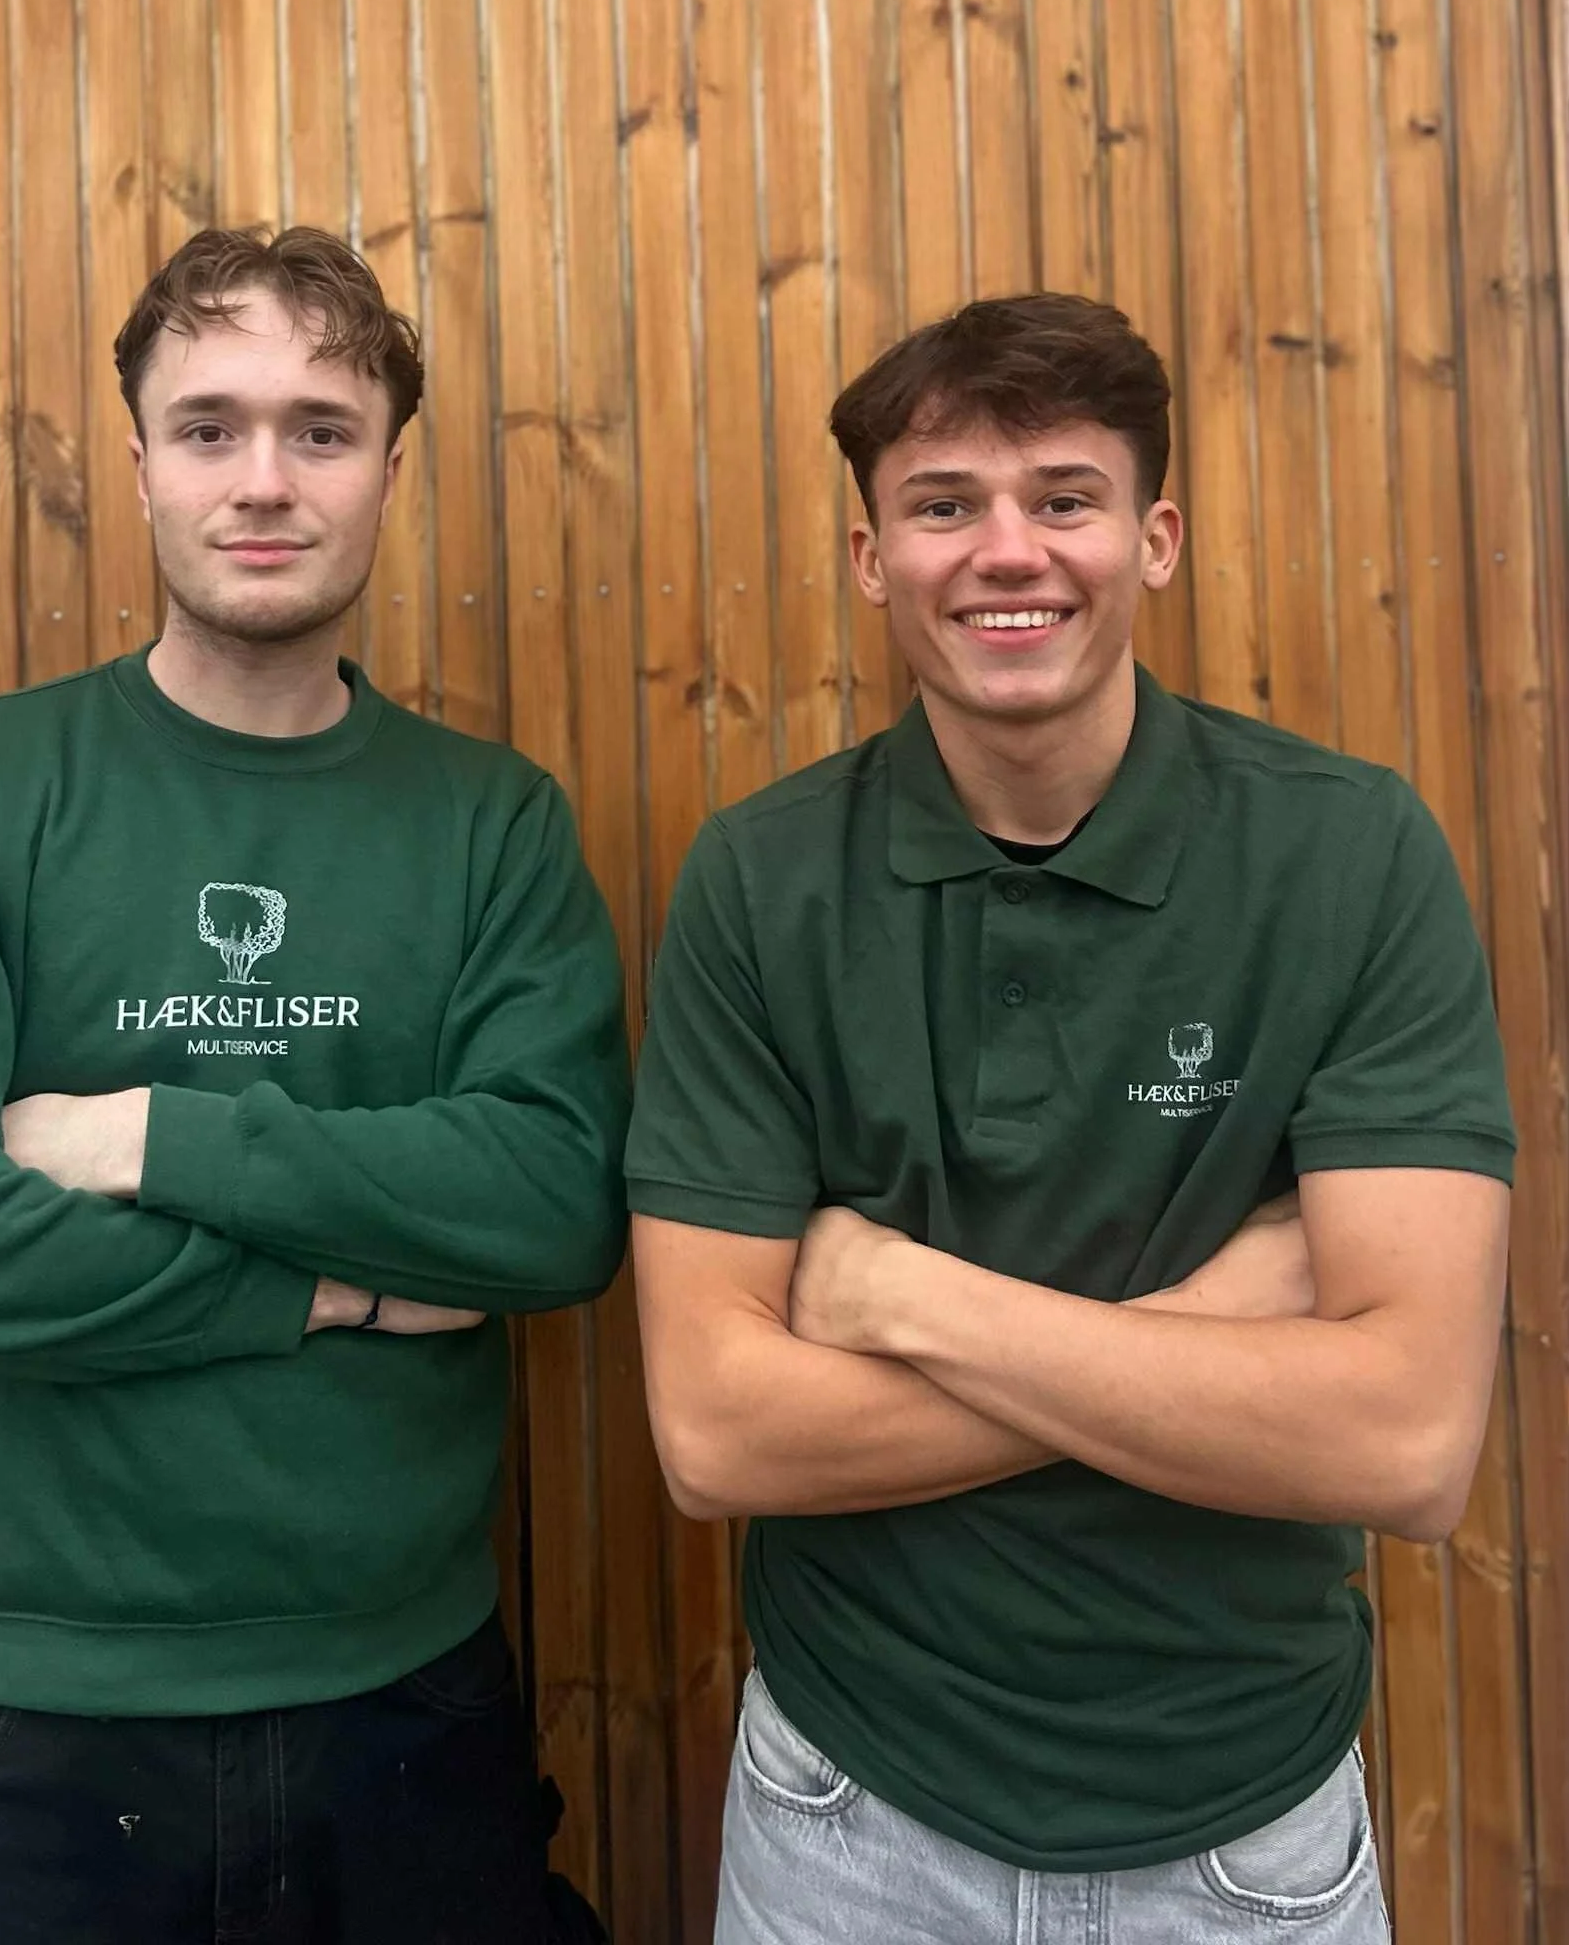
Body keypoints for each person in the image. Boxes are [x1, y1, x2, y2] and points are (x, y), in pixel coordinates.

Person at [626, 293, 1513, 1943]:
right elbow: (718, 1435)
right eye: (943, 506)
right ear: (868, 556)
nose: (1005, 551)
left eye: (1063, 498)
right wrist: (1212, 1330)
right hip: (848, 1819)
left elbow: (1402, 1443)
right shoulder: (759, 884)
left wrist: (911, 1302)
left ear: (1154, 538)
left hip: (1244, 1829)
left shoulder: (1349, 857)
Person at [0, 225, 626, 1944]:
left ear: (390, 465)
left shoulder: (492, 825)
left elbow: (546, 1204)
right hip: (18, 1731)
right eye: (210, 425)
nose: (264, 479)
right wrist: (331, 1283)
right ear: (141, 461)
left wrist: (144, 1135)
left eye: (321, 429)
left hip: (405, 1709)